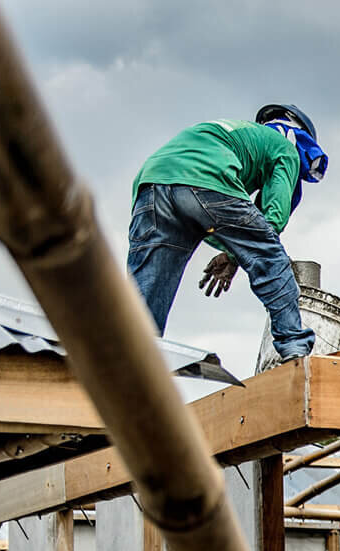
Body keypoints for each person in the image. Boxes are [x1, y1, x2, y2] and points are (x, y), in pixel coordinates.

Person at [126, 104, 328, 366]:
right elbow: (273, 218)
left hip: (152, 180)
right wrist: (248, 252)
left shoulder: (243, 134)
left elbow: (223, 218)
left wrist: (233, 255)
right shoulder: (286, 145)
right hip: (205, 175)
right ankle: (295, 349)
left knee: (147, 289)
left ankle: (131, 365)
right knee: (270, 256)